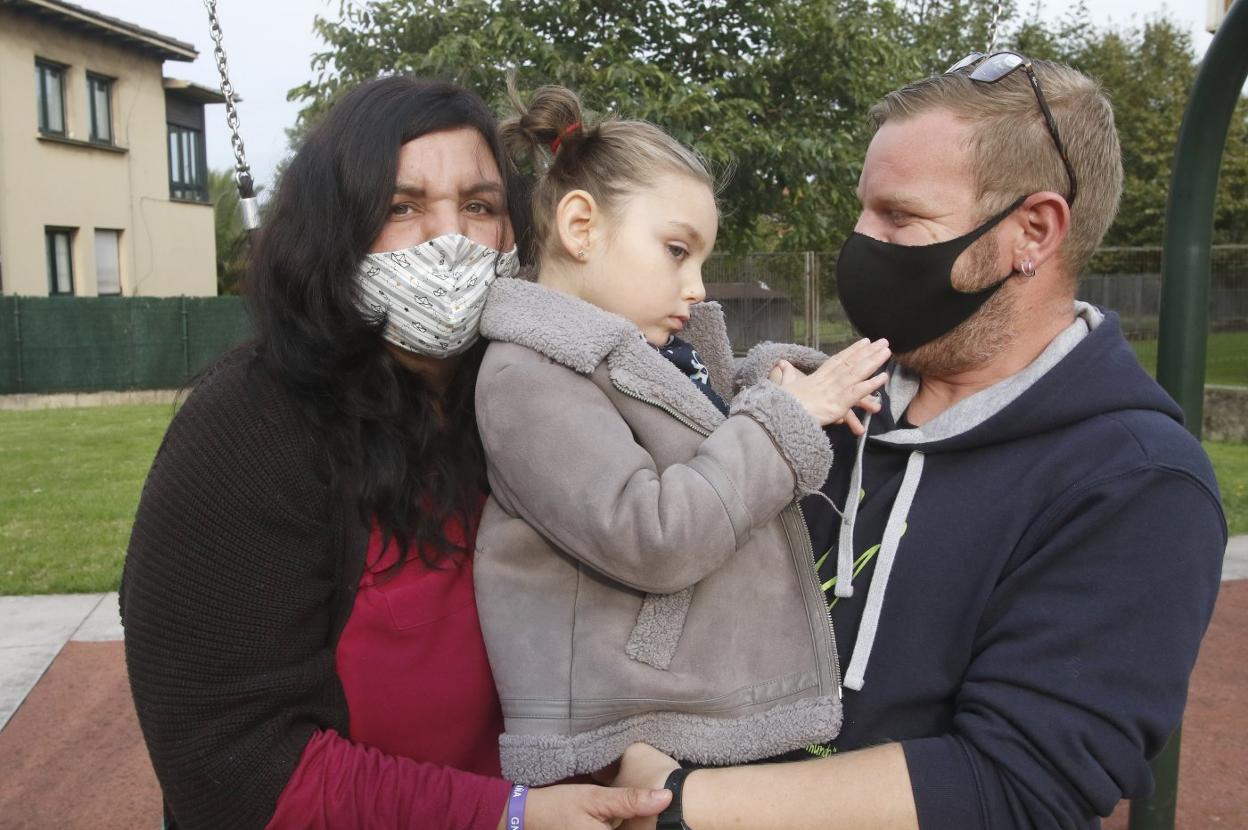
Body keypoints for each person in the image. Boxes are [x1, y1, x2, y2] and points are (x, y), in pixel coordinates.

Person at [608, 54, 1226, 830]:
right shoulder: (814, 406)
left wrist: (678, 802)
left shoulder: (1135, 480)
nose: (862, 242)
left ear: (1032, 231)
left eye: (899, 217)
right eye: (864, 211)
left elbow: (1021, 781)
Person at [121, 76, 676, 830]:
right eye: (401, 207)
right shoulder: (250, 427)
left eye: (480, 206)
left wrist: (638, 750)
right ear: (334, 229)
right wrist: (506, 817)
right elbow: (230, 766)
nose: (448, 239)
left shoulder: (538, 401)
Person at [471, 83, 891, 786]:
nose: (698, 286)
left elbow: (707, 431)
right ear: (581, 228)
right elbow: (652, 535)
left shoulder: (648, 349)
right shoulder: (528, 375)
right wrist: (784, 418)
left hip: (691, 704)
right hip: (624, 737)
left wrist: (768, 384)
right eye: (676, 251)